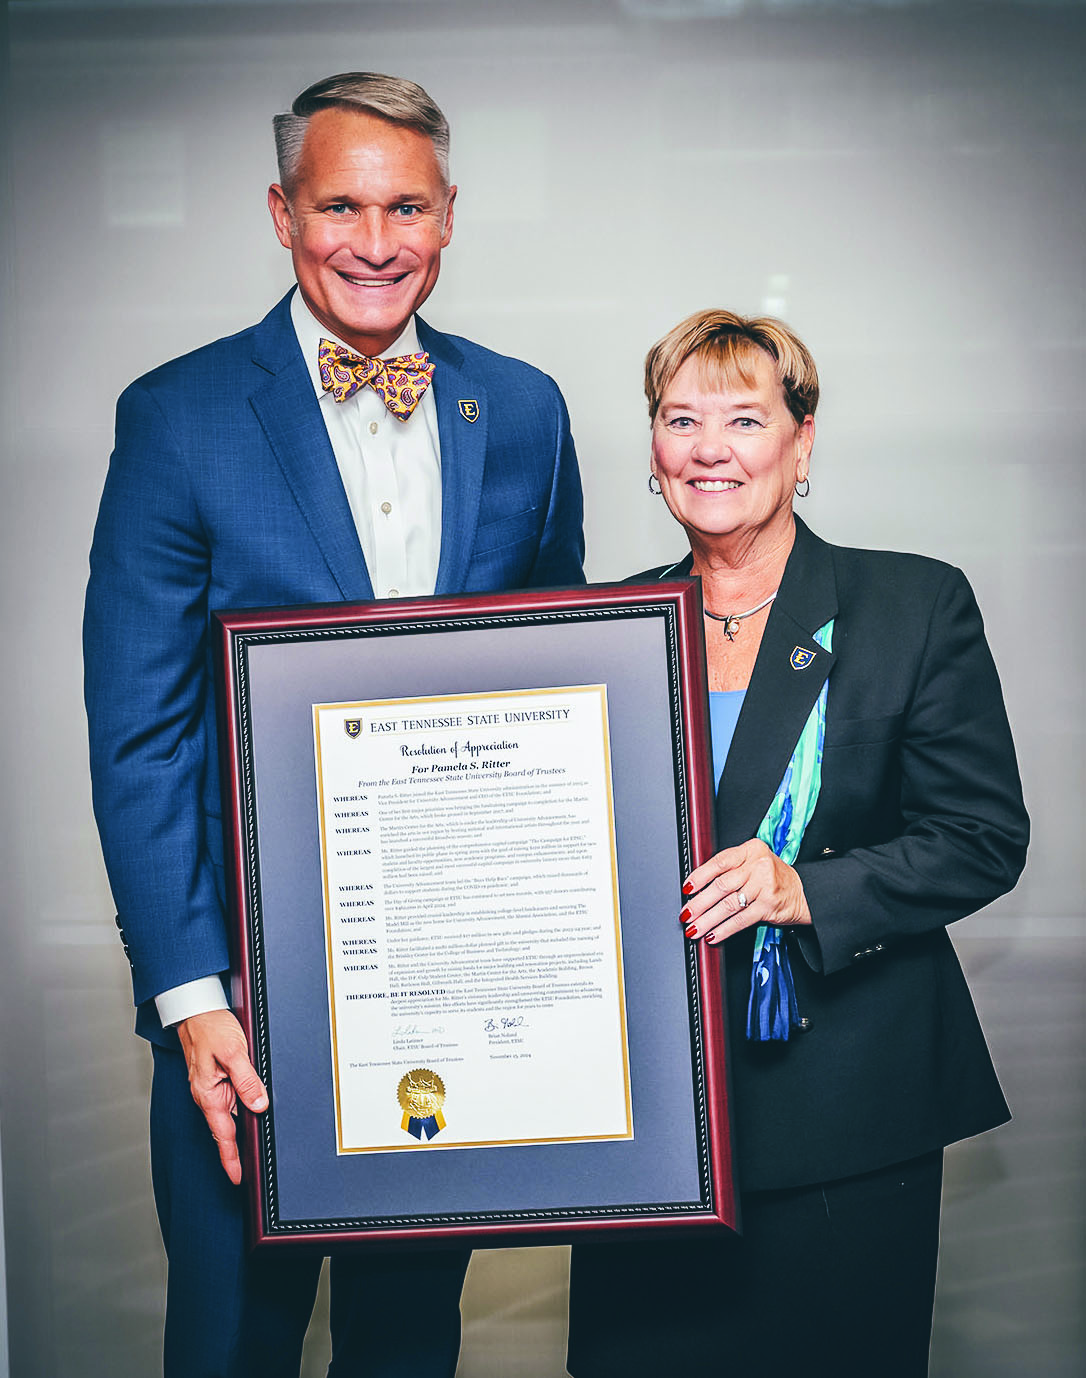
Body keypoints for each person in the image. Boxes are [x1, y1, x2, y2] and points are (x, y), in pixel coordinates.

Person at [83, 71, 584, 1378]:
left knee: (410, 1334)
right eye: (341, 205)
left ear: (449, 213)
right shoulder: (178, 416)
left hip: (449, 980)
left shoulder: (522, 408)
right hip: (247, 999)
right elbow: (140, 728)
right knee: (233, 1339)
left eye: (404, 204)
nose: (374, 239)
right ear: (281, 211)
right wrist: (194, 999)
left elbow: (562, 686)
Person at [566, 310, 1028, 1378]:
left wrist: (802, 889)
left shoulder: (910, 603)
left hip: (849, 1114)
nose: (708, 447)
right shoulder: (604, 623)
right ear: (653, 450)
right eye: (680, 420)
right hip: (648, 1124)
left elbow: (981, 836)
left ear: (802, 441)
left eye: (743, 417)